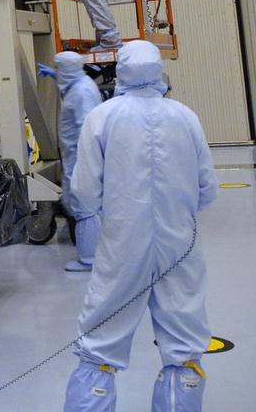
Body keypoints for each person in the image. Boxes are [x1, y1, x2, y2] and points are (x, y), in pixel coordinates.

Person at [63, 40, 217, 412]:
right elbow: (207, 189)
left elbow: (83, 191)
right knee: (184, 341)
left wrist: (114, 209)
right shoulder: (185, 116)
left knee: (101, 339)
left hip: (122, 246)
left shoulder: (103, 116)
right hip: (180, 246)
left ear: (122, 70)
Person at [54, 50, 102, 272]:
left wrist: (83, 163)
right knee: (81, 205)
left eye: (58, 69)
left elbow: (86, 126)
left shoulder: (82, 92)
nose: (57, 72)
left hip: (79, 157)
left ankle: (88, 259)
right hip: (74, 155)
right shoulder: (79, 85)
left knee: (83, 207)